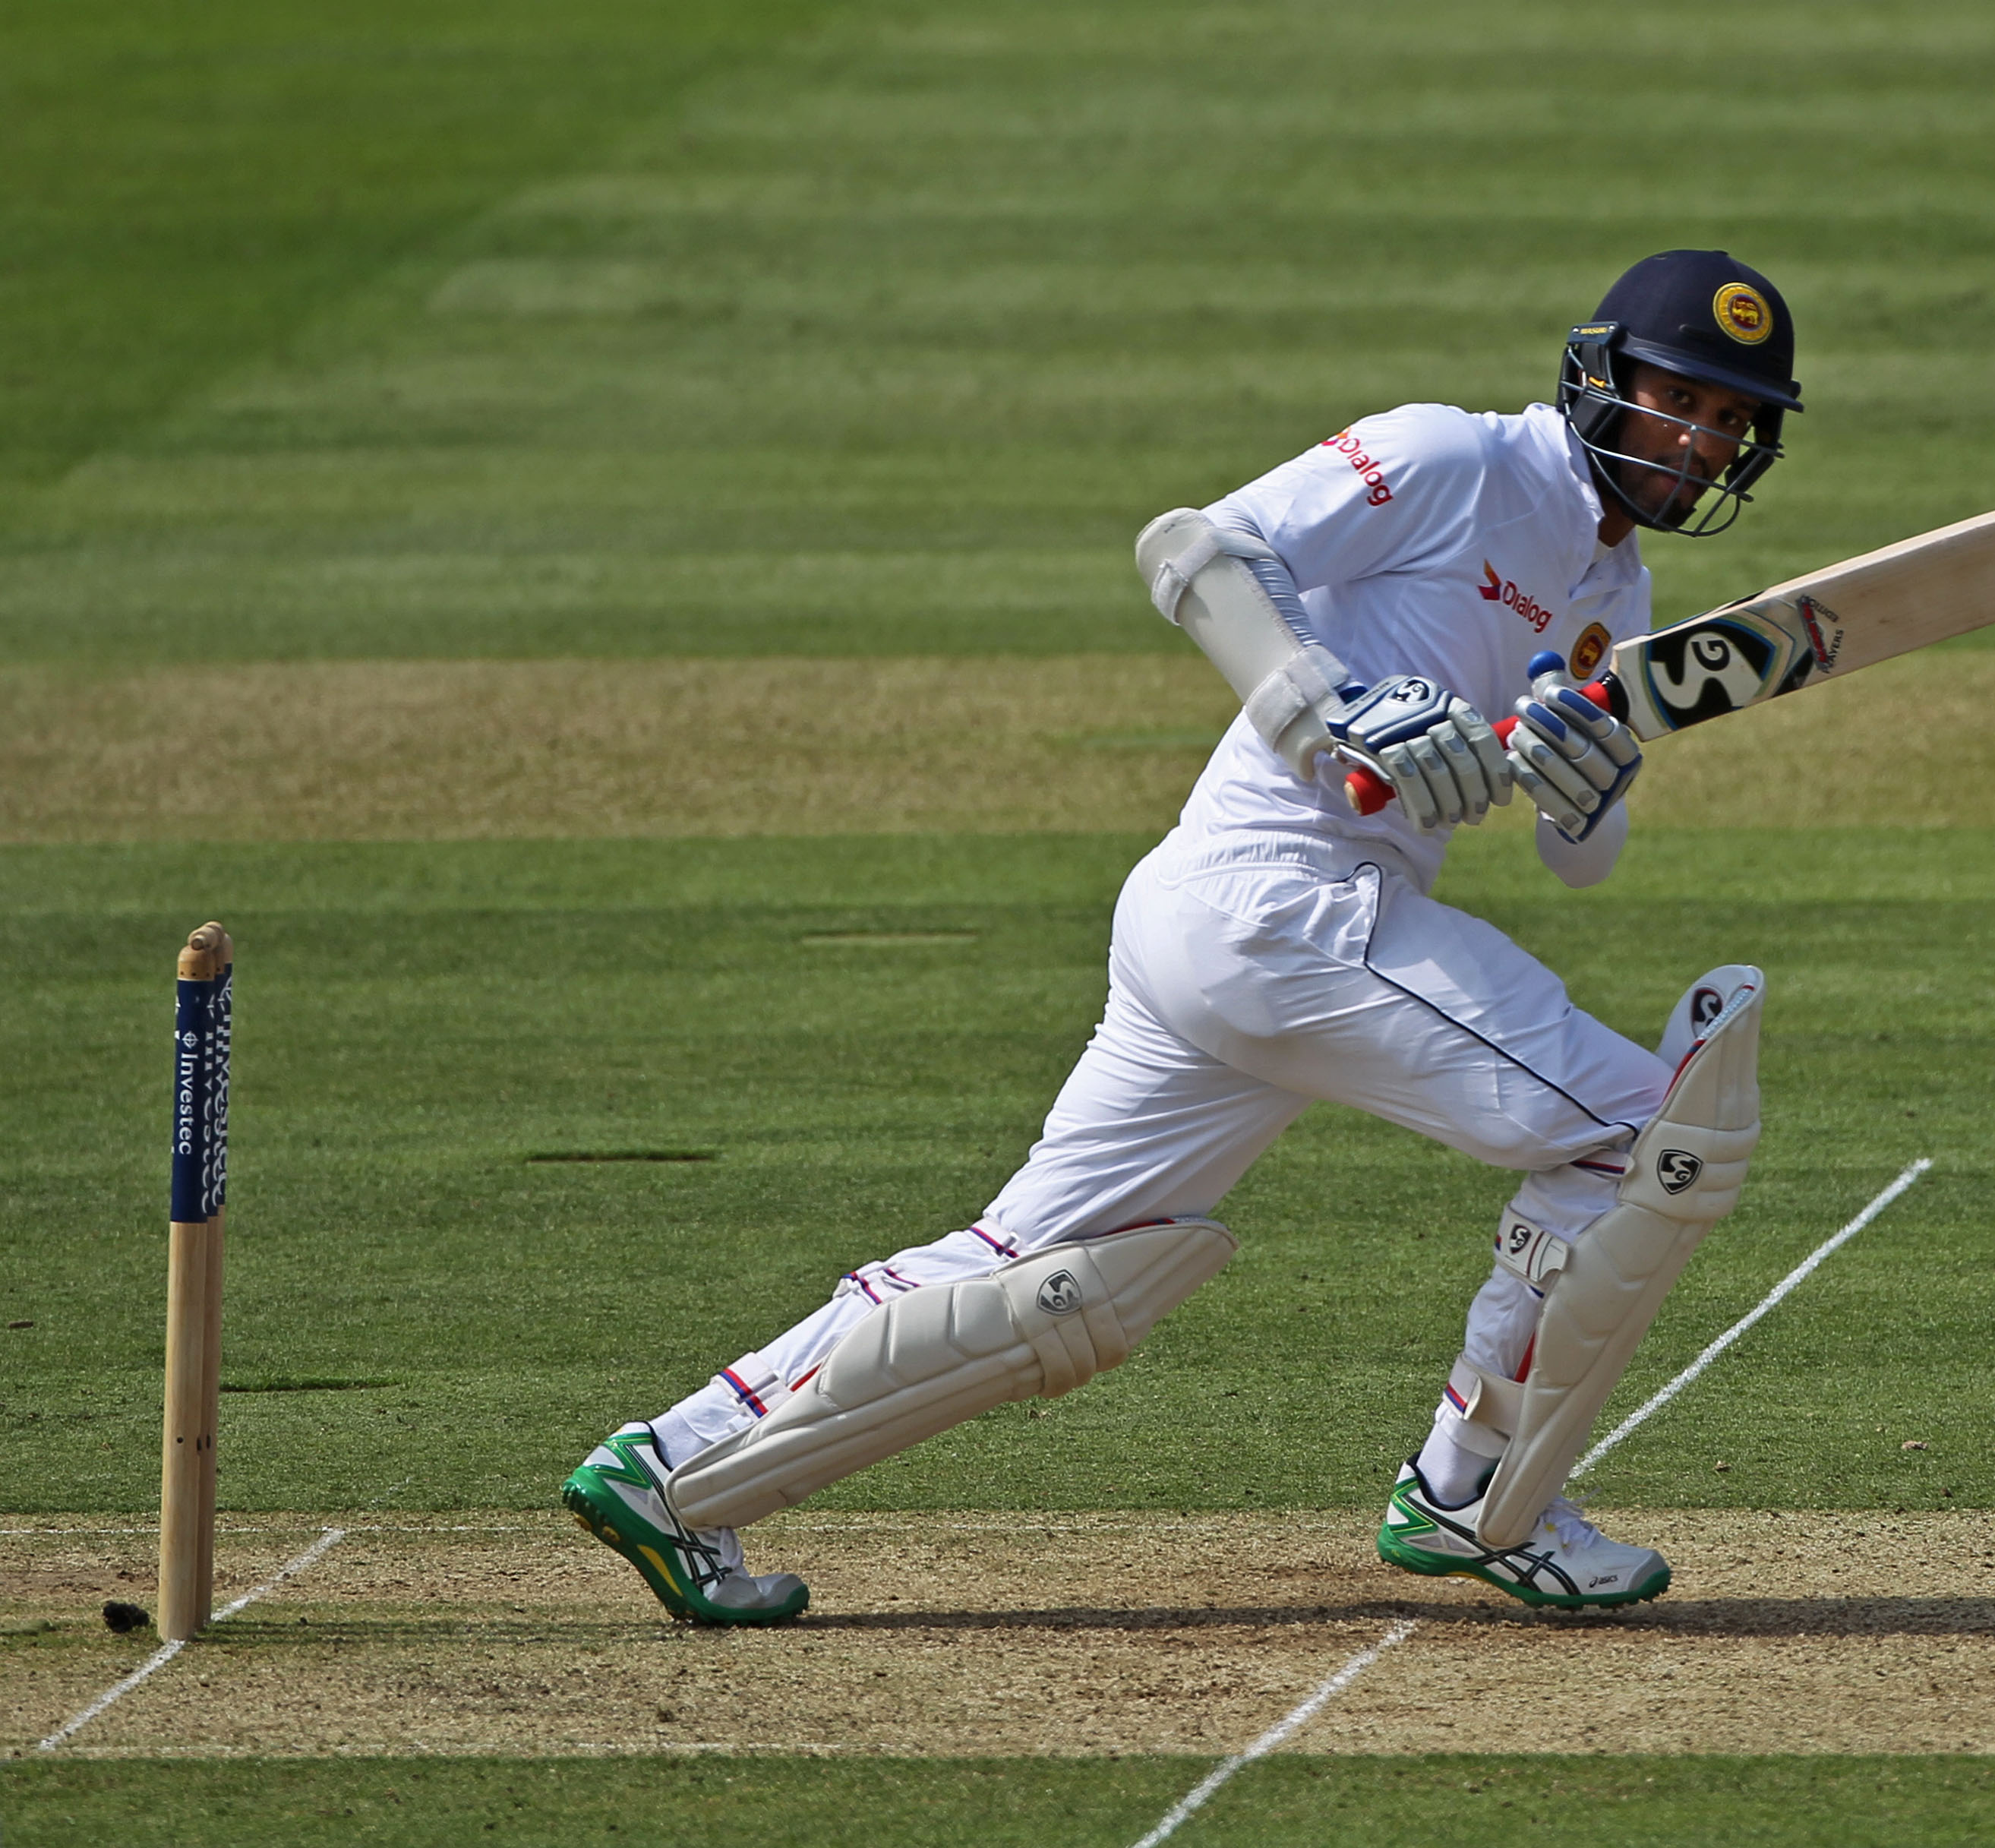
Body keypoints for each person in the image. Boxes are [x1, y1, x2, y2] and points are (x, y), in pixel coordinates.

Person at [562, 250, 1802, 1623]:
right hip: (1282, 897)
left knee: (1036, 1273)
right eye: (1679, 399)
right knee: (1642, 1137)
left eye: (1731, 421)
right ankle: (1473, 1492)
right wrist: (1328, 708)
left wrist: (1591, 779)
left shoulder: (1614, 597)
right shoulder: (1452, 457)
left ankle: (670, 1470)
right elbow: (1194, 547)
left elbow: (1582, 861)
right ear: (1602, 378)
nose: (1701, 439)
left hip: (1256, 927)